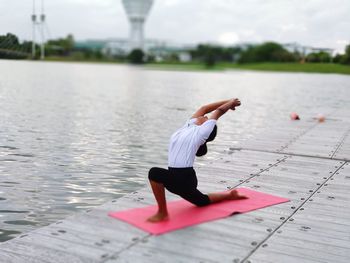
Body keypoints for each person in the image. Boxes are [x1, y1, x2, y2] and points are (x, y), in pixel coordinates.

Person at [147, 98, 247, 223]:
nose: (204, 116)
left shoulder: (201, 133)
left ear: (206, 126)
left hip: (184, 178)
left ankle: (162, 212)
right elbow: (204, 108)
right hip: (176, 177)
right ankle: (229, 195)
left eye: (206, 118)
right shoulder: (188, 126)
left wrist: (231, 104)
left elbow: (219, 111)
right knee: (202, 201)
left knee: (154, 173)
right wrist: (228, 100)